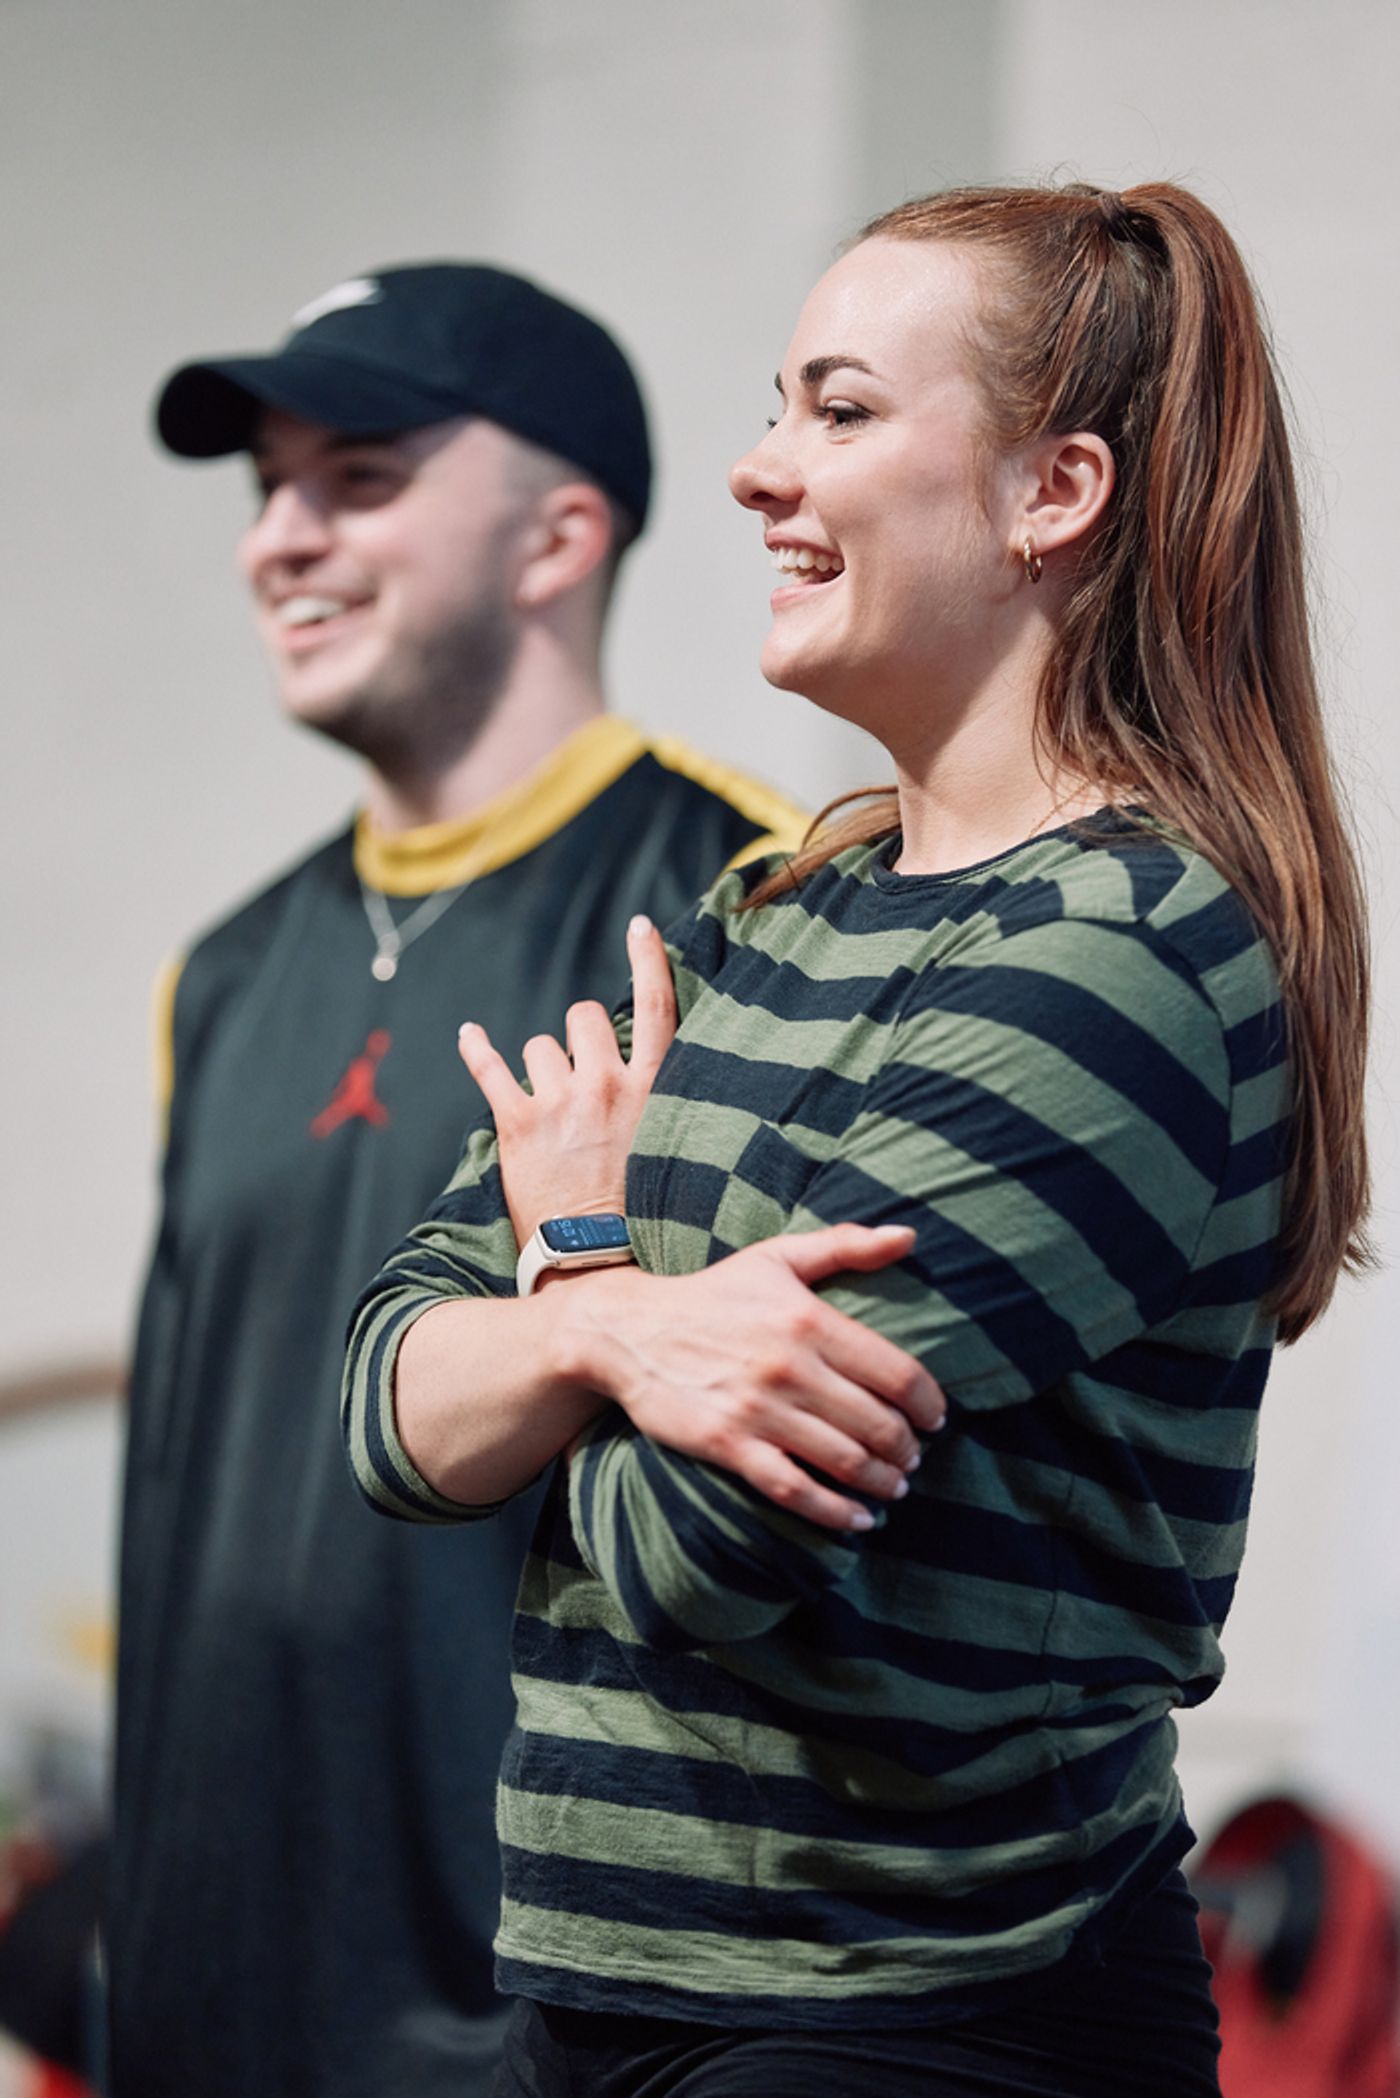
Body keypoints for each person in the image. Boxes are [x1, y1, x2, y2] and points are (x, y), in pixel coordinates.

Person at [345, 182, 1372, 2098]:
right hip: (607, 1991)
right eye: (776, 406)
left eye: (837, 411)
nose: (755, 471)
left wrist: (567, 1262)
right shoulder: (777, 902)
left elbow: (695, 1544)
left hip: (915, 2023)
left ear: (1048, 492)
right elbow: (388, 1393)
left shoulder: (1119, 950)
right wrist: (621, 1321)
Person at [109, 262, 805, 2098]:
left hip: (534, 2022)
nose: (279, 538)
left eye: (358, 477)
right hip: (200, 2000)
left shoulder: (742, 897)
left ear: (558, 533)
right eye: (267, 487)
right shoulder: (227, 967)